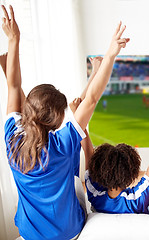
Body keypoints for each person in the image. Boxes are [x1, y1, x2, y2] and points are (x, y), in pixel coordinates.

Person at [2, 5, 130, 239]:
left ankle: (95, 70)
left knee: (72, 157)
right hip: (68, 232)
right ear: (57, 119)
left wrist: (14, 40)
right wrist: (112, 54)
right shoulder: (62, 143)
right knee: (74, 172)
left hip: (31, 233)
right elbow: (91, 100)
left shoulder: (12, 138)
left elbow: (12, 86)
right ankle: (98, 68)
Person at [83, 100, 149, 214]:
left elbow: (88, 151)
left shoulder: (93, 192)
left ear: (98, 170)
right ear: (132, 172)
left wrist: (79, 120)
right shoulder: (137, 199)